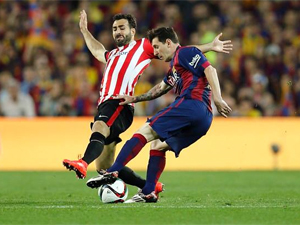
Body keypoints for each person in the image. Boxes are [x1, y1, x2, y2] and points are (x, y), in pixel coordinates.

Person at [63, 10, 232, 193]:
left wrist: (209, 46)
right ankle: (149, 187)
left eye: (122, 28)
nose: (118, 32)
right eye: (114, 29)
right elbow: (97, 51)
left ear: (132, 31)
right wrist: (84, 31)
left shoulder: (143, 46)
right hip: (107, 104)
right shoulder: (112, 55)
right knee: (103, 165)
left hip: (118, 103)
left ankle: (82, 163)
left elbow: (176, 49)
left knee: (100, 127)